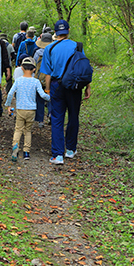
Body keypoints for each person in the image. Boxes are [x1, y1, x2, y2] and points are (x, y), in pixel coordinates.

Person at [40, 19, 92, 165]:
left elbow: (48, 74)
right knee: (73, 116)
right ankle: (70, 150)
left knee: (57, 118)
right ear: (68, 31)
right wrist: (87, 86)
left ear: (55, 33)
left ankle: (58, 155)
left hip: (57, 85)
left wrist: (48, 89)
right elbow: (83, 67)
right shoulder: (77, 46)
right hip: (75, 86)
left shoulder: (49, 48)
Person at [4, 57, 51, 162]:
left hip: (20, 109)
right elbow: (43, 95)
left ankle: (15, 145)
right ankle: (26, 152)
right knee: (28, 131)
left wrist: (8, 105)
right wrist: (51, 97)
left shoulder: (18, 81)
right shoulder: (36, 82)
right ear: (34, 69)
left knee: (18, 129)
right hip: (31, 110)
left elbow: (11, 93)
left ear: (21, 68)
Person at [34, 32, 54, 127]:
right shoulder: (53, 52)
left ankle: (40, 120)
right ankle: (50, 114)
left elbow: (34, 66)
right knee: (50, 98)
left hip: (39, 79)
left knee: (39, 99)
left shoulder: (37, 53)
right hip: (51, 78)